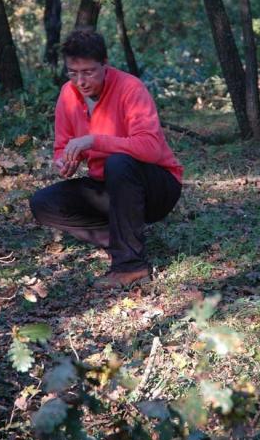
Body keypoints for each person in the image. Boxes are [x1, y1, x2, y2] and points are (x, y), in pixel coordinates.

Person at [30, 29, 183, 289]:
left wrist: (93, 141)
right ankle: (122, 241)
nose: (80, 81)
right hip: (110, 186)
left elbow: (151, 148)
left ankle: (131, 266)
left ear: (105, 64)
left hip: (158, 188)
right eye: (72, 73)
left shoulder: (130, 87)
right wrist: (65, 162)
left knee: (118, 162)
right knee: (43, 203)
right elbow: (61, 147)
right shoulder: (67, 94)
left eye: (88, 72)